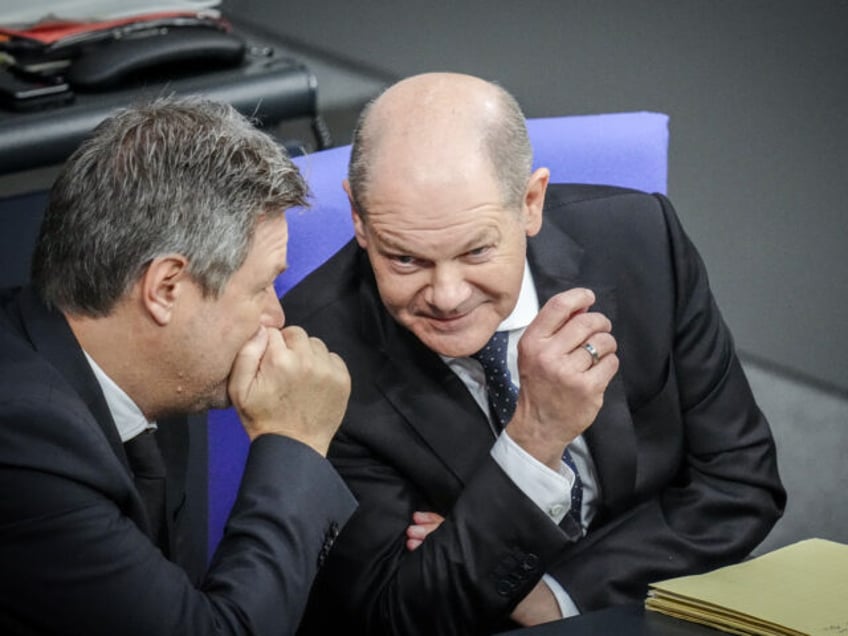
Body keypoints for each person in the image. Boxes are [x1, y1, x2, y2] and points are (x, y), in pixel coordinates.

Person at [284, 72, 786, 635]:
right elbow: (396, 613)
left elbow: (742, 484)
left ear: (530, 201)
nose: (447, 296)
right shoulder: (315, 350)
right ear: (358, 217)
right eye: (406, 260)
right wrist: (534, 440)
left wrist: (550, 588)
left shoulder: (643, 239)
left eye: (476, 251)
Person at [0, 96, 356, 635]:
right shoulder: (23, 444)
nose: (275, 317)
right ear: (166, 288)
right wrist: (296, 442)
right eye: (262, 288)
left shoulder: (154, 374)